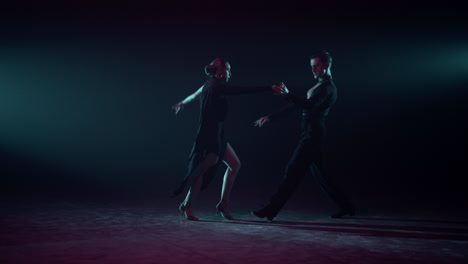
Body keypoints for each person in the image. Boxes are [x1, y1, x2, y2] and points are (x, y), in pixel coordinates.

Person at [251, 51, 354, 221]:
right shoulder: (318, 86)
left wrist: (288, 95)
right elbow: (298, 106)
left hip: (313, 135)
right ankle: (346, 207)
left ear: (326, 65)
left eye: (316, 66)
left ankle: (271, 209)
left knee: (292, 171)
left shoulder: (329, 88)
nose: (313, 70)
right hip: (310, 134)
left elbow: (309, 105)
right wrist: (270, 117)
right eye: (312, 67)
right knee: (322, 175)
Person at [172, 58, 273, 221]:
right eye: (226, 70)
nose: (229, 73)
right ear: (218, 72)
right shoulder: (217, 86)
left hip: (217, 135)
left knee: (235, 164)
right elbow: (243, 90)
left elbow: (194, 95)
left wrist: (182, 103)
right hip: (209, 135)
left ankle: (223, 204)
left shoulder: (208, 85)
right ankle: (186, 205)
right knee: (202, 171)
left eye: (229, 70)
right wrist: (268, 87)